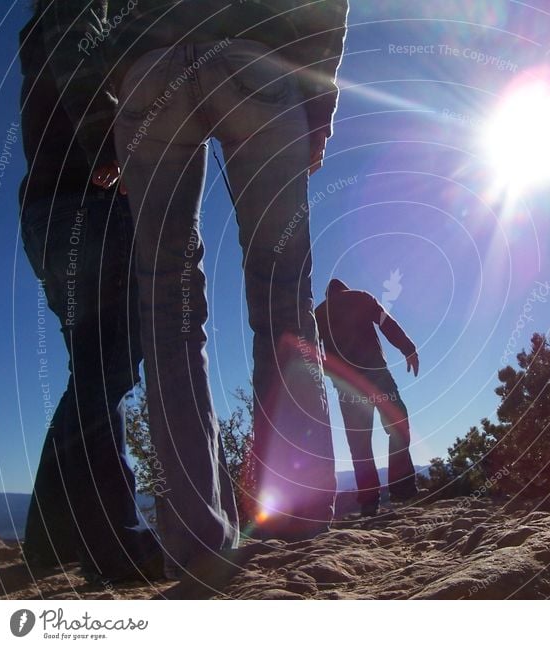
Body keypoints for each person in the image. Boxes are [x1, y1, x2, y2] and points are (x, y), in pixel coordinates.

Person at [103, 0, 348, 564]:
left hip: (149, 71)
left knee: (166, 305)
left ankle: (194, 537)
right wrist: (319, 106)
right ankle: (296, 511)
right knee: (282, 287)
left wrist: (121, 87)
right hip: (256, 60)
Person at [18, 5, 161, 582]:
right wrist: (109, 146)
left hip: (51, 211)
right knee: (106, 371)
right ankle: (119, 545)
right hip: (85, 204)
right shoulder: (74, 9)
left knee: (94, 371)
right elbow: (75, 54)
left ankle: (50, 543)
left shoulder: (45, 29)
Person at [315, 279, 419, 516]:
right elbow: (385, 322)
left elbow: (310, 350)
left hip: (346, 384)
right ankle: (403, 490)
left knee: (359, 445)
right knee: (398, 424)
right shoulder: (360, 296)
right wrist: (408, 348)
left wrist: (329, 373)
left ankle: (369, 502)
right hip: (375, 374)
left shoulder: (318, 313)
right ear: (344, 288)